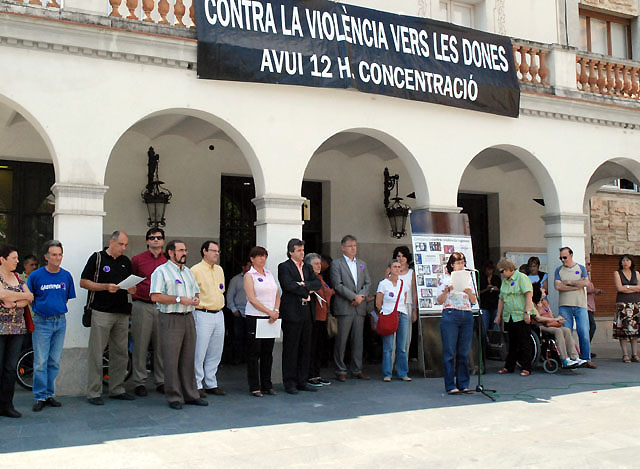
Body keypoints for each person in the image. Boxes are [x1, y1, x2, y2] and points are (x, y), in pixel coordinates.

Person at [80, 230, 138, 405]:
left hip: (121, 313)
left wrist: (132, 289)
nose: (123, 248)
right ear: (111, 242)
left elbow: (131, 284)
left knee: (120, 353)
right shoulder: (97, 258)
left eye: (126, 245)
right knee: (97, 353)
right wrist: (105, 287)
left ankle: (117, 389)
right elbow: (84, 282)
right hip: (101, 312)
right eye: (121, 244)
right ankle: (94, 392)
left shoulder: (125, 262)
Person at [150, 240, 208, 409]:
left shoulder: (188, 272)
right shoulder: (160, 272)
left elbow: (195, 290)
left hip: (188, 316)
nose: (185, 253)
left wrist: (195, 298)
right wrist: (178, 299)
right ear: (171, 253)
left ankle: (191, 394)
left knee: (188, 357)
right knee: (171, 358)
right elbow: (155, 296)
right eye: (181, 250)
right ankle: (174, 396)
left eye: (185, 249)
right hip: (170, 318)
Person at [27, 240, 76, 412]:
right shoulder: (36, 276)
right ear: (46, 257)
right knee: (40, 361)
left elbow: (67, 297)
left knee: (54, 361)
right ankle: (40, 396)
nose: (57, 258)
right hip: (42, 322)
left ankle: (49, 394)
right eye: (54, 254)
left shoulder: (66, 276)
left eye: (60, 254)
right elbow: (29, 297)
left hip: (60, 321)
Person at [278, 239, 321, 394]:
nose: (302, 253)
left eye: (303, 250)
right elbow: (288, 286)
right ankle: (289, 382)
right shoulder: (284, 267)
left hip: (307, 312)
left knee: (305, 347)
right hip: (292, 313)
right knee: (291, 348)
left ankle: (302, 380)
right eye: (298, 250)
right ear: (291, 252)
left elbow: (317, 284)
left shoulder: (308, 268)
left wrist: (302, 285)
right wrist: (305, 289)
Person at [130, 228, 167, 397]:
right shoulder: (137, 260)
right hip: (142, 305)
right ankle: (139, 381)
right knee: (140, 345)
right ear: (147, 241)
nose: (155, 240)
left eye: (159, 237)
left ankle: (161, 380)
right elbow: (132, 280)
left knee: (161, 345)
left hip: (162, 306)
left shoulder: (168, 261)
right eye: (152, 238)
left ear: (163, 241)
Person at [331, 235, 371, 382]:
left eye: (355, 245)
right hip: (344, 306)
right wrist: (353, 297)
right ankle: (340, 369)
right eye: (350, 246)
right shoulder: (337, 264)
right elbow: (337, 284)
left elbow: (367, 282)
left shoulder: (361, 264)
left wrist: (360, 296)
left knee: (358, 340)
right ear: (343, 248)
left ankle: (357, 368)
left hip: (359, 307)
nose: (353, 248)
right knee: (342, 340)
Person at [0, 245, 34, 418]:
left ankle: (7, 405)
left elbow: (30, 297)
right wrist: (18, 296)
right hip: (0, 329)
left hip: (17, 328)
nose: (17, 261)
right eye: (14, 258)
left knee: (10, 368)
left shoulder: (17, 277)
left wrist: (13, 302)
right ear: (2, 260)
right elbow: (1, 294)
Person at [436, 252, 476, 393]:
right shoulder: (445, 278)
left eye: (462, 262)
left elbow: (474, 300)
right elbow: (439, 300)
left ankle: (463, 384)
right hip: (450, 314)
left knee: (463, 352)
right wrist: (447, 291)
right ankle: (450, 385)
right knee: (449, 352)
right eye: (458, 262)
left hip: (466, 314)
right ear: (452, 265)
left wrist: (469, 291)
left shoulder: (468, 278)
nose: (461, 265)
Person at [191, 240, 226, 397]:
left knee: (215, 350)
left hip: (218, 313)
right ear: (204, 251)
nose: (216, 253)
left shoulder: (219, 270)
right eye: (213, 250)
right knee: (200, 351)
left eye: (218, 251)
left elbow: (221, 290)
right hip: (202, 313)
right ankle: (197, 383)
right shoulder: (195, 270)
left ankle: (211, 382)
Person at [243, 246, 280, 397]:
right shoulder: (249, 276)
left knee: (267, 353)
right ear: (252, 259)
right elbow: (252, 298)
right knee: (254, 353)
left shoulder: (269, 274)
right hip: (255, 316)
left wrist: (276, 311)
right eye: (258, 256)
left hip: (271, 318)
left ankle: (267, 384)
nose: (262, 259)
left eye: (264, 256)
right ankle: (254, 386)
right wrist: (268, 311)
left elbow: (277, 293)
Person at [554, 247, 596, 368]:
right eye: (561, 258)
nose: (563, 260)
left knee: (583, 332)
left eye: (565, 257)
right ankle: (571, 358)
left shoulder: (581, 268)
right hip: (564, 305)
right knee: (567, 332)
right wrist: (576, 285)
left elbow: (586, 283)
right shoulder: (559, 270)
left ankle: (586, 358)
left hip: (580, 305)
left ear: (571, 255)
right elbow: (558, 286)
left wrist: (568, 282)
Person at [531, 284, 585, 368]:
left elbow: (551, 315)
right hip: (541, 326)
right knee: (558, 331)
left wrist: (557, 320)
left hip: (551, 324)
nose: (543, 289)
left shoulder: (545, 303)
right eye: (541, 288)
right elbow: (538, 319)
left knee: (566, 330)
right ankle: (564, 359)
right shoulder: (532, 304)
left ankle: (574, 357)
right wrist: (554, 320)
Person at [495, 257, 534, 376]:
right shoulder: (505, 281)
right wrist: (498, 315)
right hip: (509, 315)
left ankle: (526, 367)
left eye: (502, 271)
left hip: (520, 314)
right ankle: (509, 366)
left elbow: (528, 295)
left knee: (524, 341)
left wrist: (527, 312)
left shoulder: (522, 278)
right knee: (511, 342)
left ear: (508, 269)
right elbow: (501, 299)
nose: (501, 274)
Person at [377, 259, 411, 382]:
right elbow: (378, 302)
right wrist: (385, 312)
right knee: (388, 346)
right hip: (389, 314)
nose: (397, 269)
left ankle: (403, 372)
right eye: (394, 266)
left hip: (402, 314)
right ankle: (387, 373)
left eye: (399, 267)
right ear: (390, 269)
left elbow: (405, 299)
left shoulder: (404, 284)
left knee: (401, 346)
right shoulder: (384, 284)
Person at [304, 252, 333, 387]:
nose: (319, 266)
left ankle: (317, 374)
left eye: (319, 263)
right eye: (316, 263)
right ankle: (310, 375)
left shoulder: (320, 278)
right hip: (314, 318)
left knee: (319, 347)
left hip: (323, 317)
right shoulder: (309, 279)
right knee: (312, 347)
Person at [384, 246, 418, 355]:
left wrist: (414, 310)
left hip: (406, 306)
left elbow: (414, 292)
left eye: (403, 256)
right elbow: (384, 288)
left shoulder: (411, 273)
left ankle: (402, 367)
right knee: (391, 338)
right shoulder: (389, 271)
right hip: (391, 306)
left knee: (405, 338)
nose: (401, 258)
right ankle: (391, 365)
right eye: (398, 256)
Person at [612, 254, 640, 363]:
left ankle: (635, 354)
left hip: (635, 304)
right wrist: (633, 288)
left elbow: (639, 287)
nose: (625, 262)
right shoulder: (617, 273)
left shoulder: (636, 273)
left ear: (631, 262)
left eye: (628, 260)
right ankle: (625, 354)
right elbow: (619, 288)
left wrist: (627, 287)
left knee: (635, 331)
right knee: (623, 331)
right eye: (623, 260)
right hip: (622, 304)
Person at [227, 259, 251, 365]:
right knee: (238, 337)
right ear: (243, 267)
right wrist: (233, 309)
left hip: (252, 313)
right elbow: (230, 296)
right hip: (239, 312)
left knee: (250, 338)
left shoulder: (255, 278)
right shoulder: (236, 280)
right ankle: (237, 358)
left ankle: (248, 359)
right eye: (249, 266)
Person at [478, 260, 501, 336]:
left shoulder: (496, 278)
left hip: (495, 305)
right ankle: (485, 345)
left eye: (490, 269)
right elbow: (477, 293)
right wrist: (486, 289)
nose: (489, 271)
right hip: (485, 306)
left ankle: (495, 343)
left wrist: (495, 288)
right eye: (487, 269)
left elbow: (501, 291)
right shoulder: (481, 279)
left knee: (495, 327)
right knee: (484, 328)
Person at [585, 258, 603, 347]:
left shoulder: (588, 277)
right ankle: (585, 347)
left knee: (590, 327)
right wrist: (593, 291)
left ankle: (586, 348)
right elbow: (584, 291)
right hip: (586, 306)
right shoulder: (582, 276)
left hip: (591, 305)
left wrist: (595, 291)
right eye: (588, 264)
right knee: (592, 326)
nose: (590, 266)